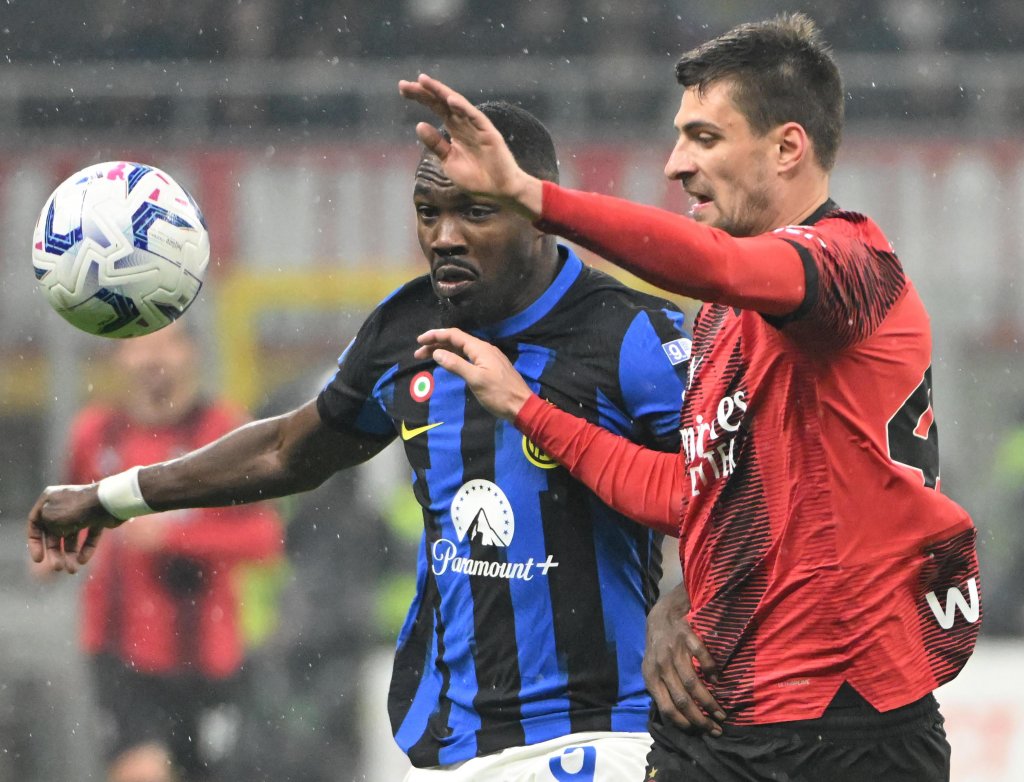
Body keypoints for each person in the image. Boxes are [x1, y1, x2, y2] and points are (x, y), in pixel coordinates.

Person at [28, 102, 716, 781]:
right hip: (455, 747)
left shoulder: (633, 336)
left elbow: (741, 493)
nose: (445, 236)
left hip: (603, 731)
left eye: (475, 211)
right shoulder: (406, 328)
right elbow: (287, 451)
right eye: (428, 211)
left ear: (539, 211)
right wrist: (111, 497)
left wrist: (683, 599)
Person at [399, 13, 982, 782]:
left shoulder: (854, 266)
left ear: (787, 147)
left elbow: (716, 263)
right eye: (679, 137)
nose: (676, 164)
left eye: (705, 138)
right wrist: (528, 409)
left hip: (845, 723)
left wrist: (531, 196)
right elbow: (692, 494)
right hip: (719, 723)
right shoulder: (721, 320)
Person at [60, 323, 284, 782]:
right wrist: (58, 550)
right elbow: (68, 525)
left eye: (166, 343)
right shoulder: (94, 434)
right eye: (138, 345)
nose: (152, 358)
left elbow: (265, 538)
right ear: (118, 358)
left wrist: (175, 536)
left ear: (191, 353)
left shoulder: (224, 431)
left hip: (209, 656)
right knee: (142, 771)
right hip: (121, 654)